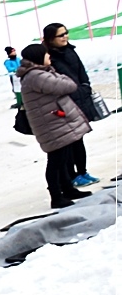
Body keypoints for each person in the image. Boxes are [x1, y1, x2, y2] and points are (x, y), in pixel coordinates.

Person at [17, 43, 93, 209]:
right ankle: (56, 196)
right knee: (56, 161)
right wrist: (60, 75)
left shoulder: (39, 74)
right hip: (51, 125)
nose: (49, 57)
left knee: (63, 159)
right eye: (46, 55)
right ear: (39, 57)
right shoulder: (36, 76)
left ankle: (67, 190)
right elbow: (69, 85)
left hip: (55, 123)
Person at [42, 23, 101, 187]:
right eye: (61, 35)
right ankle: (71, 175)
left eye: (66, 33)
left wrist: (85, 86)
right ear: (50, 39)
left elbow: (81, 71)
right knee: (69, 142)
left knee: (79, 138)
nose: (65, 37)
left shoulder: (70, 50)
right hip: (65, 103)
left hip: (80, 98)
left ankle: (82, 171)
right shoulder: (48, 58)